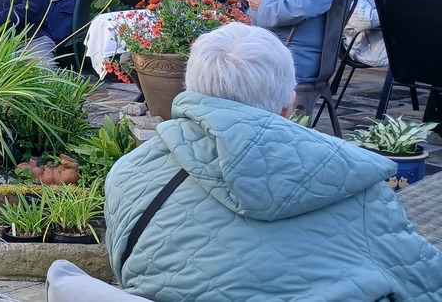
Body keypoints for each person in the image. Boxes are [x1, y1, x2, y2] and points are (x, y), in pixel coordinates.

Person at [105, 22, 442, 300]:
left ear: (192, 89)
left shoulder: (130, 172)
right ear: (289, 104)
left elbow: (126, 269)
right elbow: (424, 286)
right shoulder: (363, 194)